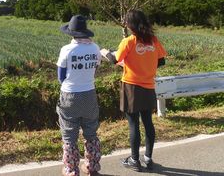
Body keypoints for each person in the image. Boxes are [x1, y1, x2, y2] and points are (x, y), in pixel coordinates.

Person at [101, 10, 167, 172]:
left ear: (130, 26)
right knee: (148, 122)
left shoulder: (129, 41)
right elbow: (161, 61)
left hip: (131, 86)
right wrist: (144, 66)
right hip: (148, 86)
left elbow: (115, 59)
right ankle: (149, 158)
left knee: (133, 124)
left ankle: (134, 160)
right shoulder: (153, 41)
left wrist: (104, 52)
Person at [56, 15, 102, 176]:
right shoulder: (95, 48)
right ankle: (92, 167)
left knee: (69, 134)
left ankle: (71, 170)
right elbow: (95, 69)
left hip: (70, 95)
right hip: (89, 94)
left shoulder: (67, 50)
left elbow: (60, 76)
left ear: (71, 33)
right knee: (91, 132)